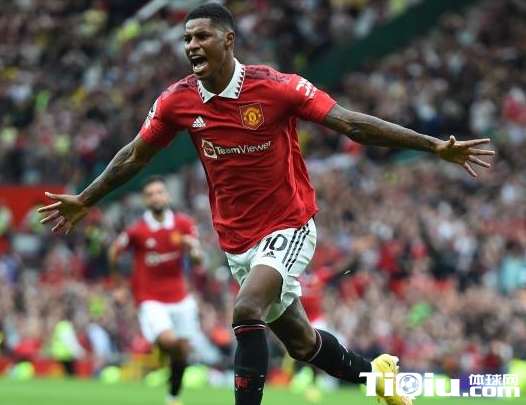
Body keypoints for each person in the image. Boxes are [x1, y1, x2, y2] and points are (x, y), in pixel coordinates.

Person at [38, 3, 495, 404]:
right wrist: (85, 199)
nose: (192, 46)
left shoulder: (276, 88)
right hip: (237, 241)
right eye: (187, 39)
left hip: (289, 225)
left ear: (228, 39)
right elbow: (135, 155)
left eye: (202, 36)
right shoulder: (178, 101)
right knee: (302, 344)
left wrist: (433, 145)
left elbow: (351, 124)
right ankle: (377, 378)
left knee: (245, 310)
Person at [107, 175, 203, 405]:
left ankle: (173, 396)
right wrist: (118, 286)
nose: (156, 197)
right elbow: (114, 252)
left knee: (182, 351)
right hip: (149, 298)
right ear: (145, 200)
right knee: (169, 340)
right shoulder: (137, 231)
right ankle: (161, 356)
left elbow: (198, 261)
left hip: (180, 297)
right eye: (150, 194)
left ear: (167, 195)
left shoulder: (183, 224)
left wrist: (193, 249)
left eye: (159, 192)